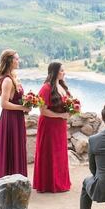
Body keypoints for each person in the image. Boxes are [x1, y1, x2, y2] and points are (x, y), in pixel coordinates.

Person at [33, 62, 72, 193]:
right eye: (61, 70)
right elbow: (42, 111)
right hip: (49, 126)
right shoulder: (46, 88)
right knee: (49, 153)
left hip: (60, 126)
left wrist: (71, 111)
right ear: (54, 72)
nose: (64, 73)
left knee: (59, 154)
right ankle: (47, 184)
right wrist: (61, 115)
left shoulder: (61, 86)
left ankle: (60, 182)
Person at [0, 49, 30, 179]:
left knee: (17, 148)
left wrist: (28, 102)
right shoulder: (8, 80)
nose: (18, 61)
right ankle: (9, 180)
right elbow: (4, 104)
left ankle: (17, 180)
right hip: (10, 120)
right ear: (10, 61)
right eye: (16, 59)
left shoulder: (13, 78)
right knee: (11, 149)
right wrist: (22, 107)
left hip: (17, 118)